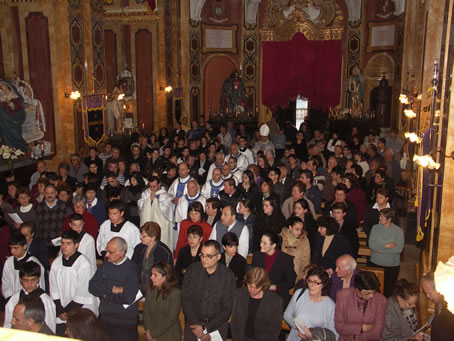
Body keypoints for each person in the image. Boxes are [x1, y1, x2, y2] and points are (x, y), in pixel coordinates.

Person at [181, 240, 236, 341]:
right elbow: (185, 299)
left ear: (218, 257)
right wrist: (197, 326)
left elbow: (227, 308)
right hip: (193, 327)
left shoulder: (228, 276)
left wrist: (206, 329)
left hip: (216, 328)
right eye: (202, 255)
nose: (204, 259)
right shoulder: (192, 270)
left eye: (209, 256)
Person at [89, 237, 140, 341]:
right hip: (105, 320)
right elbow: (92, 286)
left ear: (121, 253)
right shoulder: (105, 266)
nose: (106, 255)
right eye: (106, 250)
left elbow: (128, 298)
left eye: (110, 252)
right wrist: (112, 289)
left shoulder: (131, 269)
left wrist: (104, 295)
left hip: (124, 324)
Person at [49, 230, 97, 335]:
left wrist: (67, 312)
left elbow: (83, 293)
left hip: (80, 310)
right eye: (62, 243)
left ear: (76, 245)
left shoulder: (84, 264)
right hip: (62, 310)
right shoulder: (56, 263)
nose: (64, 247)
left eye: (68, 243)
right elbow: (54, 289)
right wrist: (60, 310)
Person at [284, 266, 338, 341]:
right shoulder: (299, 294)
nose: (311, 285)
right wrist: (297, 328)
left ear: (324, 284)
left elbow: (334, 334)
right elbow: (287, 315)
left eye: (316, 282)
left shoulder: (330, 305)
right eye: (309, 281)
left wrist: (311, 335)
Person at [230, 267, 283, 341]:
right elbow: (235, 322)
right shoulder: (239, 294)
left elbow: (274, 330)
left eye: (256, 288)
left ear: (263, 286)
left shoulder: (275, 301)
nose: (252, 290)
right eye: (250, 286)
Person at [3, 261, 56, 333]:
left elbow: (50, 327)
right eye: (26, 280)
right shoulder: (14, 299)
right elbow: (8, 324)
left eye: (33, 280)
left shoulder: (46, 301)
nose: (29, 284)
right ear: (20, 280)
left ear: (38, 279)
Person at [335, 271, 388, 341]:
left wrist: (355, 337)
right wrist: (361, 328)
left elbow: (377, 333)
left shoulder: (381, 301)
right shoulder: (343, 295)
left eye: (374, 292)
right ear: (357, 289)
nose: (371, 296)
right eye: (367, 293)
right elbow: (339, 327)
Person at [252, 232, 296, 307]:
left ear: (273, 245)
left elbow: (290, 282)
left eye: (265, 243)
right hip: (259, 294)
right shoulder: (257, 256)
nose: (261, 245)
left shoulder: (286, 259)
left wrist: (274, 287)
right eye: (261, 242)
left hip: (278, 295)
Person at [369, 208, 404, 297]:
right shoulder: (375, 228)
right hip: (376, 262)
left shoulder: (398, 231)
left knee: (388, 290)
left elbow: (398, 249)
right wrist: (386, 246)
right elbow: (371, 245)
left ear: (389, 219)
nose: (379, 218)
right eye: (380, 216)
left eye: (382, 217)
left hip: (391, 265)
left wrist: (379, 250)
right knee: (374, 288)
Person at [143, 262, 182, 341]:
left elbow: (171, 319)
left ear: (165, 277)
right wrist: (148, 331)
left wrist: (153, 334)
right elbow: (146, 311)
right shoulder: (151, 290)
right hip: (151, 333)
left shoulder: (175, 293)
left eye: (155, 275)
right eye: (151, 274)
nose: (151, 277)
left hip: (169, 335)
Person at [131, 222, 173, 295]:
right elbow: (132, 268)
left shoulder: (164, 252)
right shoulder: (139, 248)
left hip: (157, 290)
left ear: (153, 237)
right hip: (138, 288)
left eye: (144, 236)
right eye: (141, 235)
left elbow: (168, 275)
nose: (141, 238)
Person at [2, 234, 46, 300]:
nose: (12, 251)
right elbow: (6, 283)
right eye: (10, 248)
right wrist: (10, 299)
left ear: (24, 246)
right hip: (12, 300)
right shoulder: (9, 262)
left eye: (15, 248)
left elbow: (40, 285)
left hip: (31, 301)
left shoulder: (34, 263)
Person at [36, 184, 73, 257]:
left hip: (59, 244)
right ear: (44, 193)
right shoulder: (39, 208)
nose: (49, 195)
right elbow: (36, 226)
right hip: (43, 244)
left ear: (56, 193)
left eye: (52, 193)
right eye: (47, 193)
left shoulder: (64, 206)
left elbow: (69, 224)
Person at [138, 176, 174, 250]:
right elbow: (140, 204)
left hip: (161, 225)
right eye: (150, 186)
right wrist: (149, 201)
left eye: (154, 186)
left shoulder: (165, 195)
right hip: (148, 222)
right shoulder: (146, 193)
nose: (152, 189)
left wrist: (156, 201)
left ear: (159, 184)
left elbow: (166, 210)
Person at [421, 272, 454, 340]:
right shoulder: (438, 303)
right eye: (426, 293)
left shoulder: (450, 308)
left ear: (439, 289)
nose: (427, 296)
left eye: (429, 293)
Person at [280, 216, 311, 284]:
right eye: (297, 229)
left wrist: (302, 276)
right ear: (290, 227)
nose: (299, 232)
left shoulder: (304, 240)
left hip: (298, 276)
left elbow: (305, 260)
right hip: (281, 275)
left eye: (301, 229)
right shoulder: (281, 238)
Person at [0, 80, 27, 151]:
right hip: (4, 121)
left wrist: (10, 104)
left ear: (7, 85)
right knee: (5, 137)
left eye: (2, 85)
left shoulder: (13, 94)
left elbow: (18, 106)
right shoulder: (1, 95)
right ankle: (8, 151)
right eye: (0, 86)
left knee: (16, 136)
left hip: (13, 120)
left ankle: (19, 151)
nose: (1, 87)